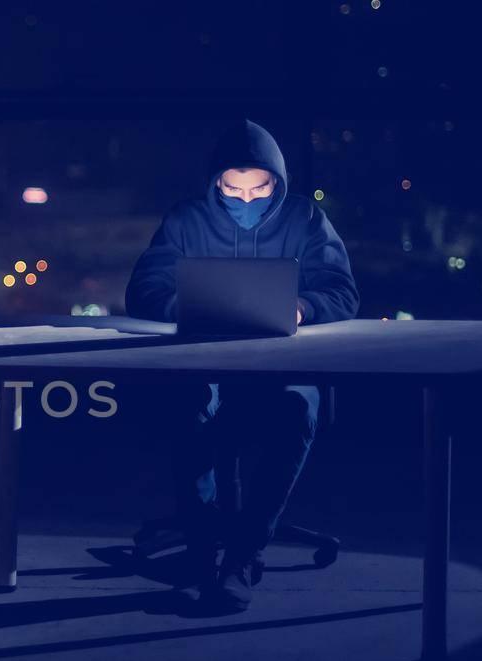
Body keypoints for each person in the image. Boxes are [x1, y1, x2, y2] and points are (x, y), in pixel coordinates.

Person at [124, 119, 359, 613]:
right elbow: (144, 290)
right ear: (215, 182)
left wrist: (300, 308)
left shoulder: (306, 220)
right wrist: (189, 310)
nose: (247, 199)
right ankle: (204, 549)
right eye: (233, 188)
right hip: (201, 360)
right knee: (187, 407)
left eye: (260, 188)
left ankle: (245, 553)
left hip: (282, 363)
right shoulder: (187, 219)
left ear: (277, 181)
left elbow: (341, 291)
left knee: (297, 409)